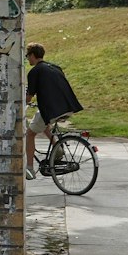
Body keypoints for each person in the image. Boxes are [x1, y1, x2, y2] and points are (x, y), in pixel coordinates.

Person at [25, 43, 83, 178]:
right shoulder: (55, 67)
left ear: (33, 55)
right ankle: (57, 147)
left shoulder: (34, 72)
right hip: (67, 106)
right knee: (44, 124)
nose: (27, 59)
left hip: (52, 109)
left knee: (30, 134)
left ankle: (29, 169)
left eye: (28, 56)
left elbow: (28, 97)